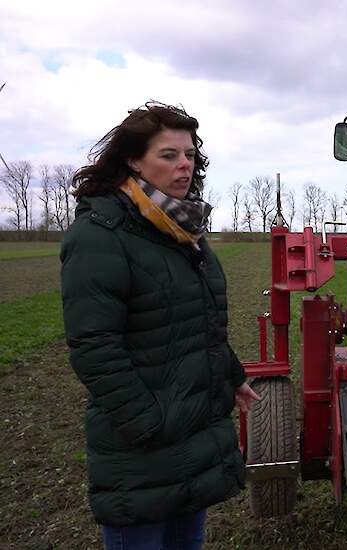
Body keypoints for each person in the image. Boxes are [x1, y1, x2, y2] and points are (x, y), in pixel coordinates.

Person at [60, 101, 260, 549]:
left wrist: (231, 377)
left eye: (189, 155)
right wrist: (149, 423)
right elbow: (94, 347)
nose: (184, 165)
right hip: (143, 453)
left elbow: (199, 321)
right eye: (169, 155)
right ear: (133, 160)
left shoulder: (181, 230)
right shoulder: (101, 235)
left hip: (188, 439)